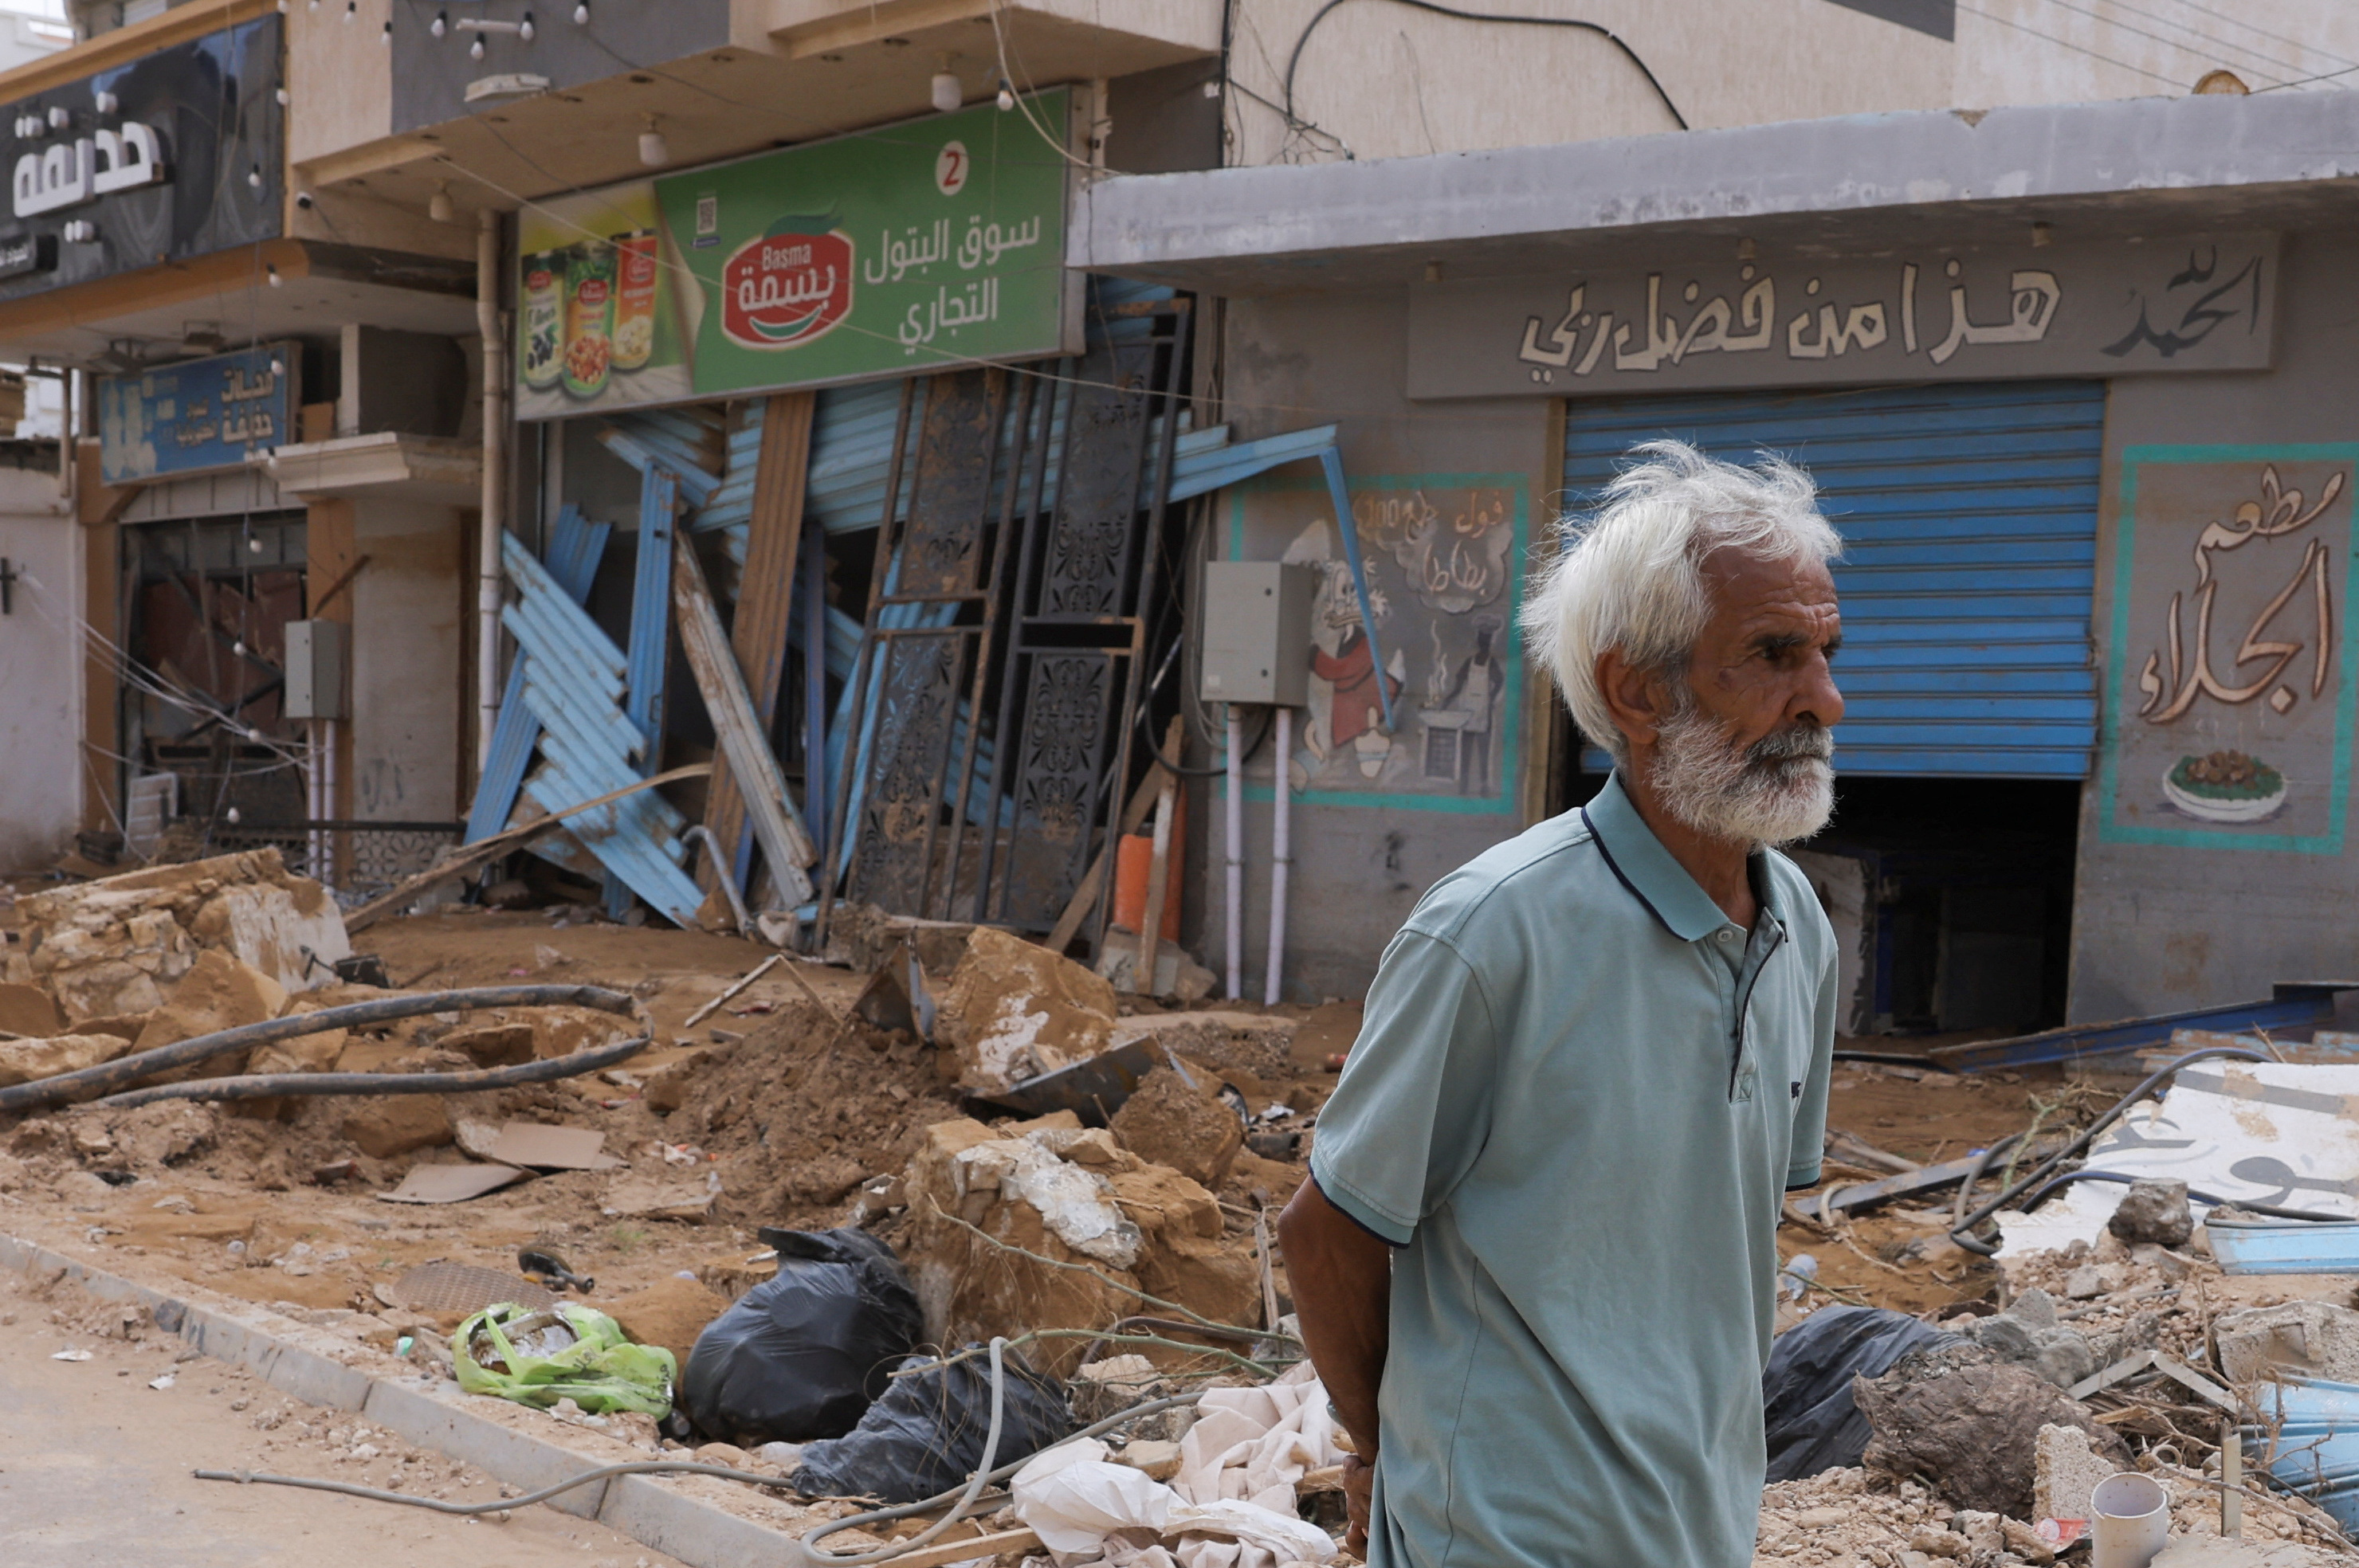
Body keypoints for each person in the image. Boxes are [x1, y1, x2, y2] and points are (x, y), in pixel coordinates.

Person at [1278, 441, 1847, 1568]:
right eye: (1774, 655)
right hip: (1506, 1532)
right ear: (1638, 691)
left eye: (1827, 651)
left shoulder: (1799, 931)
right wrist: (1386, 1443)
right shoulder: (1494, 931)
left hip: (1699, 1521)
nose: (1825, 699)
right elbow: (1328, 1231)